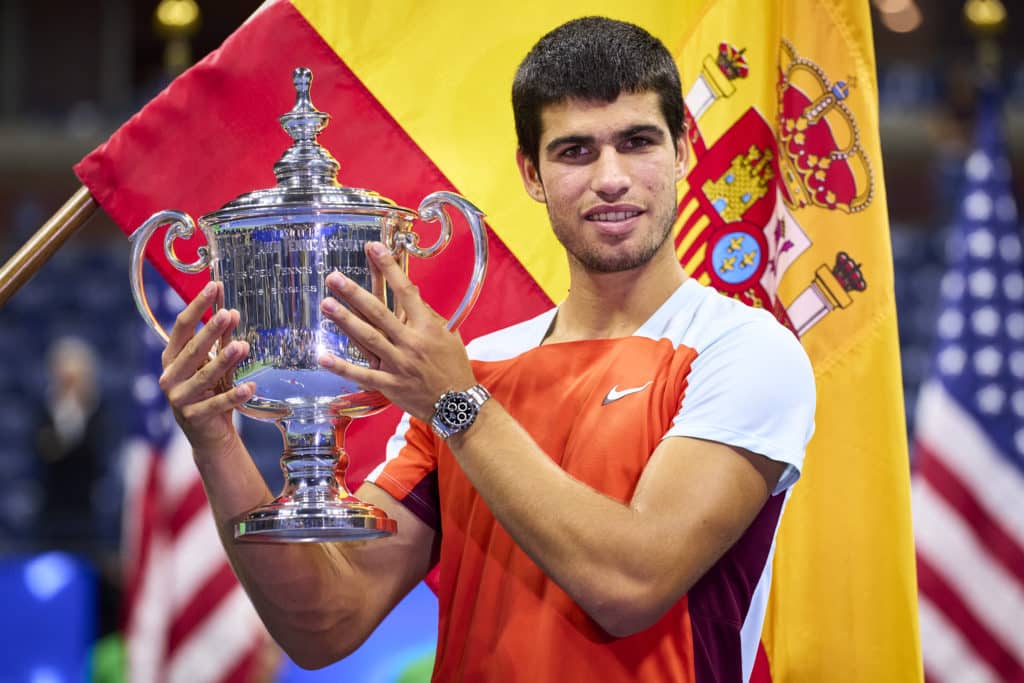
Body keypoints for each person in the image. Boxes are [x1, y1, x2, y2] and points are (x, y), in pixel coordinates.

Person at [158, 16, 815, 682]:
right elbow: (326, 622)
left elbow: (630, 582)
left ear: (681, 151)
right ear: (531, 173)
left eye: (637, 142)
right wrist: (217, 444)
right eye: (575, 151)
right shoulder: (477, 369)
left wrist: (456, 403)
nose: (612, 177)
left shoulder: (747, 350)